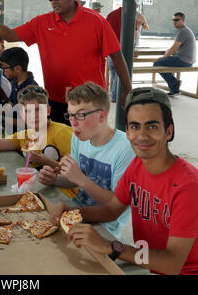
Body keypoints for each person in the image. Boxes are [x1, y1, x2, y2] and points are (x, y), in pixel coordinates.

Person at [50, 87, 198, 275]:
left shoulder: (188, 186)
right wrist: (70, 212)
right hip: (149, 263)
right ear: (127, 132)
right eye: (135, 127)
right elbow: (112, 209)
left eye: (152, 126)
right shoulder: (137, 165)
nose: (142, 136)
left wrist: (112, 246)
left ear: (168, 132)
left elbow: (172, 264)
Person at [0, 0, 131, 125]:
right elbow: (10, 34)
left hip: (90, 101)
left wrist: (127, 90)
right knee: (60, 149)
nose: (53, 1)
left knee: (91, 148)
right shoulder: (42, 23)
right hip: (56, 100)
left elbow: (116, 56)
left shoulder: (96, 21)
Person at [39, 82, 134, 238]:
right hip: (77, 210)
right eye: (70, 114)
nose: (73, 122)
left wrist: (82, 180)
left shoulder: (125, 149)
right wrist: (55, 179)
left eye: (81, 115)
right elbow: (72, 180)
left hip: (105, 226)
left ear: (102, 115)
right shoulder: (79, 138)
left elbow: (116, 206)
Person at [0, 85, 72, 169]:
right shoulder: (24, 136)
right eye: (28, 111)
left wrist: (47, 162)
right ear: (21, 114)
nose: (33, 115)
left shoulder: (62, 133)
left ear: (48, 111)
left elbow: (78, 172)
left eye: (38, 109)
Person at [106, 5, 149, 102]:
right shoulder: (130, 17)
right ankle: (115, 96)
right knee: (120, 74)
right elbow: (134, 34)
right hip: (122, 49)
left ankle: (115, 94)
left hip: (110, 48)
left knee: (114, 73)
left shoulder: (111, 14)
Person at [154, 12, 196, 96]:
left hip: (184, 60)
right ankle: (174, 86)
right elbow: (174, 48)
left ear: (183, 21)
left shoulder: (183, 31)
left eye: (177, 20)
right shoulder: (184, 30)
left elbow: (174, 49)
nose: (174, 21)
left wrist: (164, 57)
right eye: (173, 20)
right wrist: (168, 54)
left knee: (157, 63)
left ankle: (175, 85)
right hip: (188, 60)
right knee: (166, 61)